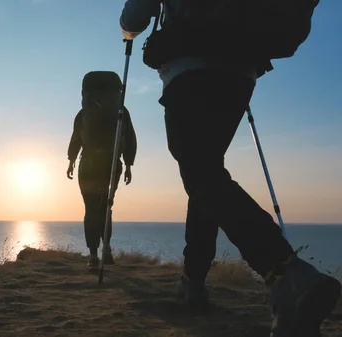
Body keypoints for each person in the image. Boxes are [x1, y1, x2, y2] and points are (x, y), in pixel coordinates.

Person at [119, 0, 340, 336]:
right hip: (241, 69)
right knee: (205, 173)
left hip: (189, 66)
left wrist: (128, 29)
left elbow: (135, 14)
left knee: (200, 173)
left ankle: (284, 273)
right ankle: (194, 281)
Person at [66, 70, 137, 271]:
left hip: (88, 164)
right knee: (106, 207)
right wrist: (129, 164)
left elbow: (76, 138)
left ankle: (93, 255)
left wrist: (71, 160)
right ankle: (106, 249)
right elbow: (129, 138)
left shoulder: (84, 113)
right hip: (112, 162)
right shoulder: (121, 111)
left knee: (90, 209)